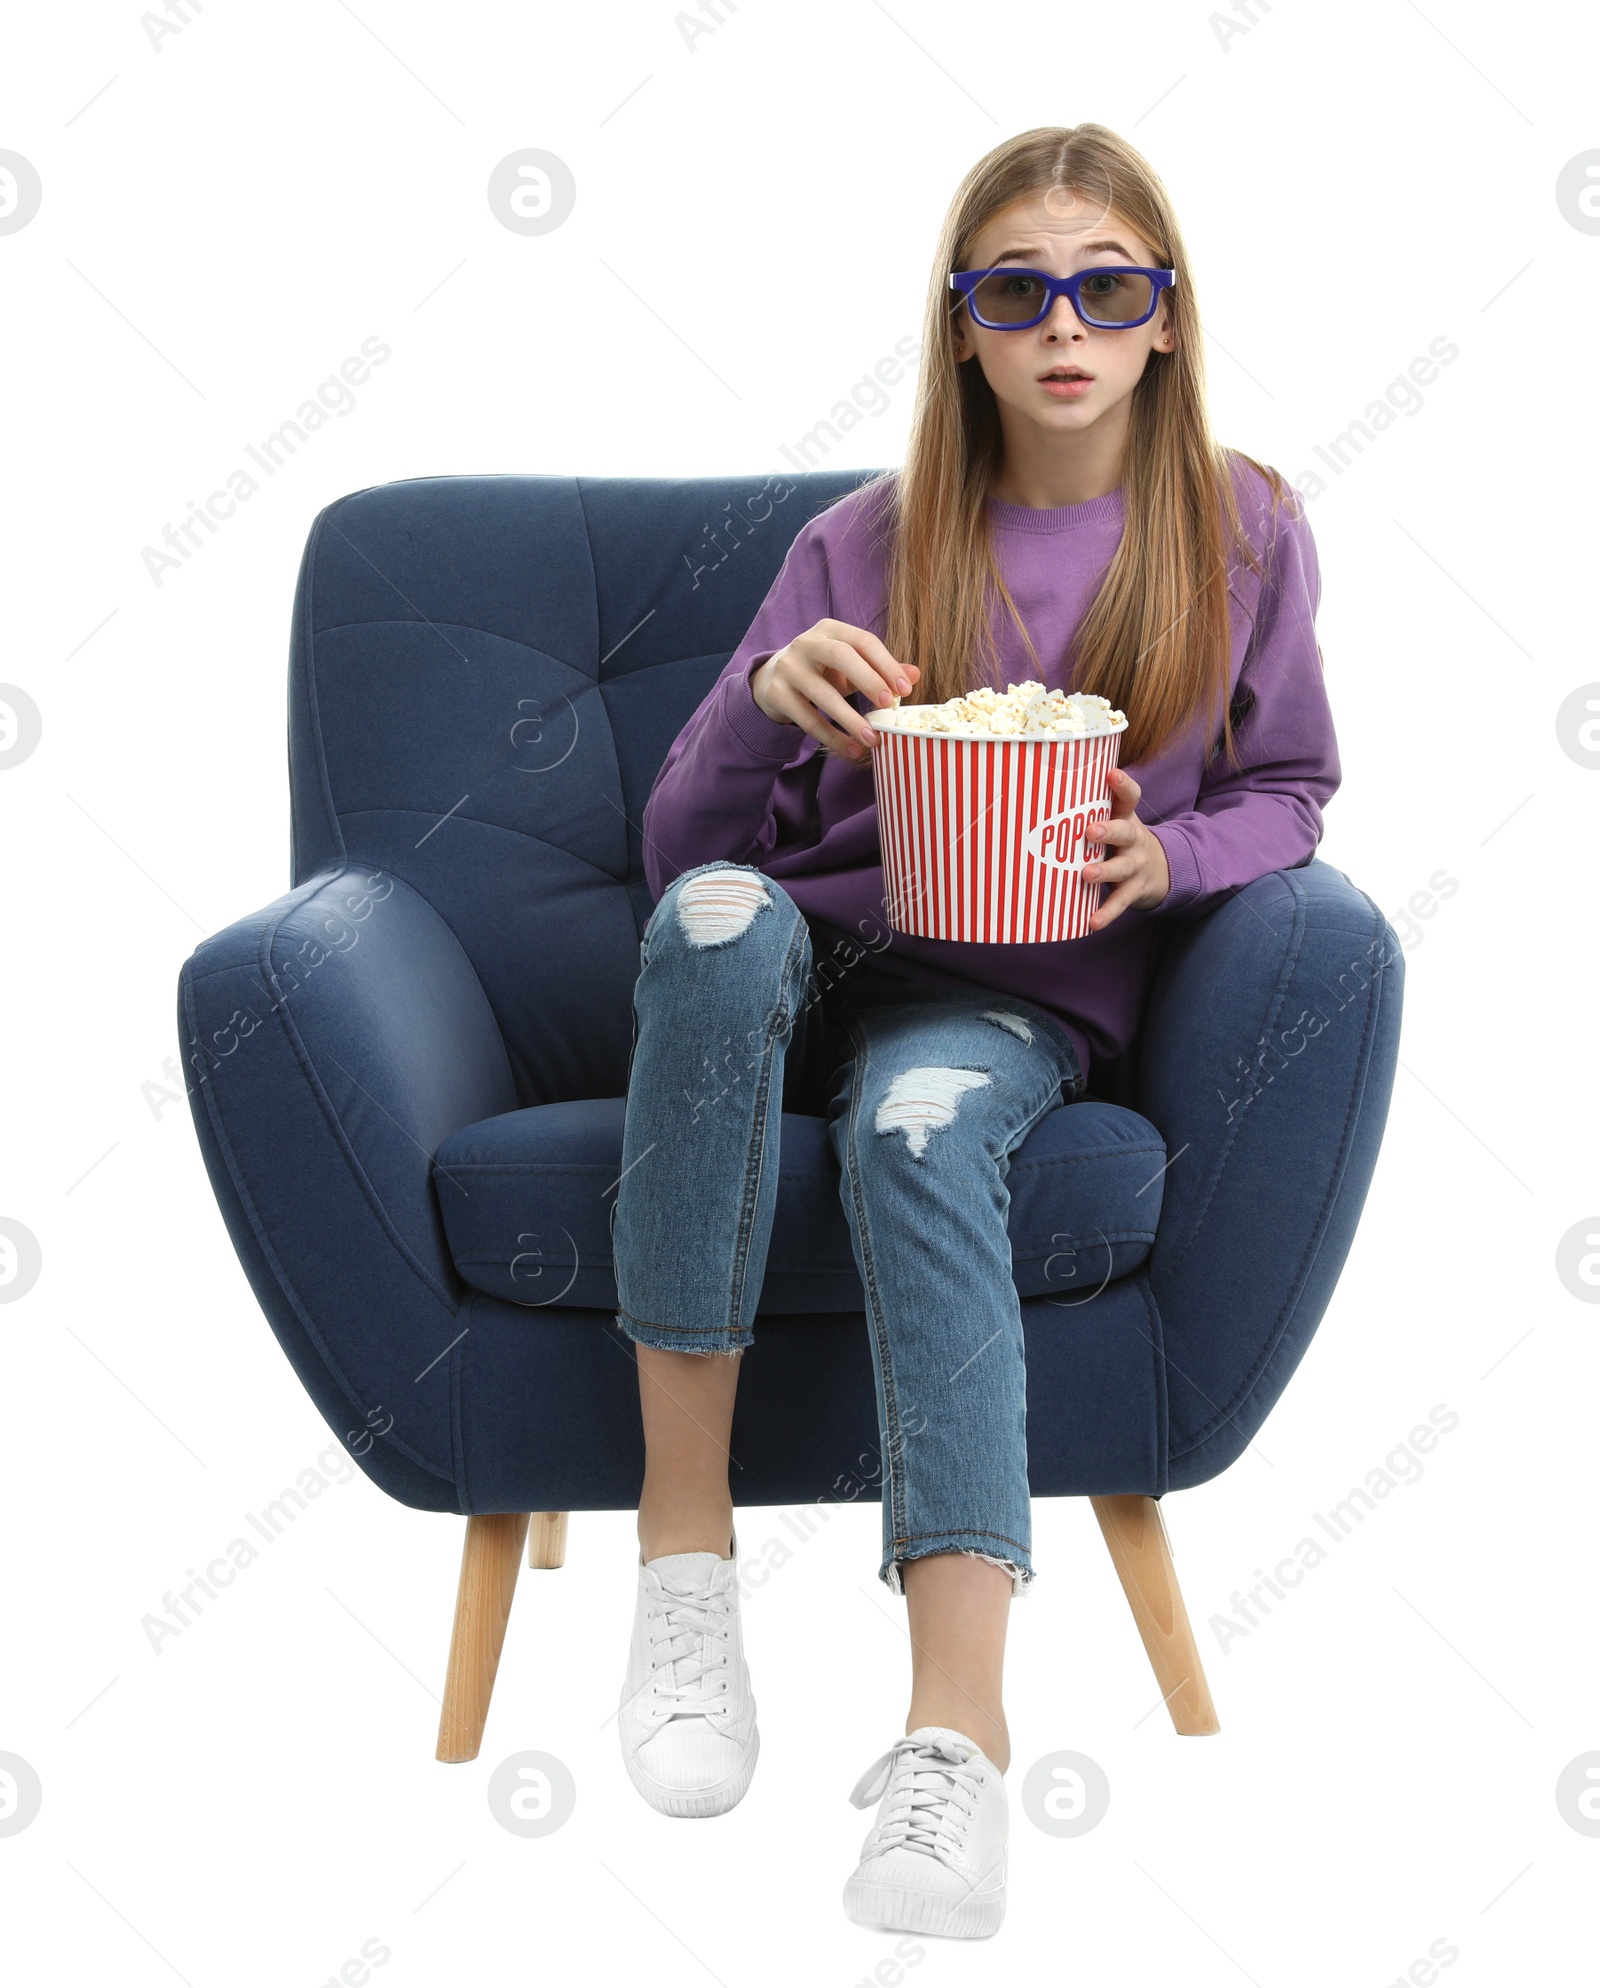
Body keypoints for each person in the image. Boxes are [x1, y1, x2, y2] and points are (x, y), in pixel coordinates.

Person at [609, 121, 1339, 1939]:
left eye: (1108, 286)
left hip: (1021, 998)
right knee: (711, 926)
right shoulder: (862, 543)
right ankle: (685, 1566)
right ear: (963, 326)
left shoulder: (1243, 526)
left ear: (1166, 317)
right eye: (1019, 289)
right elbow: (690, 862)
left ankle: (956, 1747)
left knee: (917, 1130)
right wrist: (758, 709)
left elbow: (1300, 791)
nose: (1065, 321)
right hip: (808, 948)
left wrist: (1169, 854)